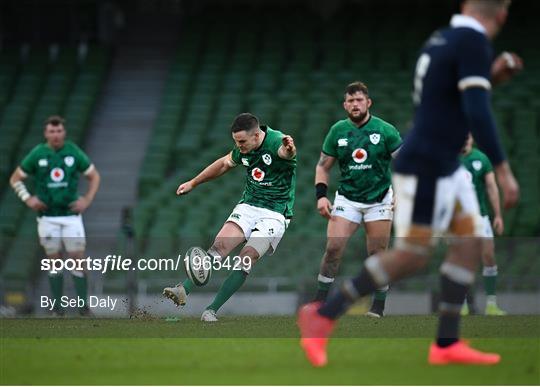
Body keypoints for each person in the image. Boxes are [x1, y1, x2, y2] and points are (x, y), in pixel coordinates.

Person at [298, 0, 522, 367]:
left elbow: (448, 101)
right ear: (502, 15)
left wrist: (491, 77)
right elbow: (477, 110)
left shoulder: (442, 40)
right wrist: (503, 168)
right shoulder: (472, 42)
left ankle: (447, 343)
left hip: (444, 162)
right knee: (413, 255)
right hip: (428, 162)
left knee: (466, 244)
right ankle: (324, 315)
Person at [163, 113, 296, 321]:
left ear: (256, 135)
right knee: (218, 248)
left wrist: (289, 149)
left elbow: (286, 153)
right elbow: (224, 163)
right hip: (249, 205)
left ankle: (211, 310)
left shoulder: (277, 141)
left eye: (242, 142)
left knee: (247, 257)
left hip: (275, 213)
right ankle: (183, 290)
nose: (239, 146)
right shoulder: (245, 147)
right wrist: (193, 182)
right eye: (236, 141)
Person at [314, 81, 402, 318]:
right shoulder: (337, 131)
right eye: (351, 101)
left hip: (380, 199)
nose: (355, 104)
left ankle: (378, 306)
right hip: (348, 198)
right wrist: (321, 197)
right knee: (333, 247)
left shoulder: (385, 130)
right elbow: (323, 167)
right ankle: (318, 303)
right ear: (345, 105)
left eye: (359, 100)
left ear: (368, 103)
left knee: (377, 255)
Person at [9, 115, 101, 316]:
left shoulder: (72, 152)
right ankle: (57, 309)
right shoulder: (38, 154)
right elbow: (15, 179)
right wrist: (27, 199)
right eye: (52, 131)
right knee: (54, 260)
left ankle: (83, 308)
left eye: (59, 131)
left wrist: (86, 200)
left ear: (64, 132)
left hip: (70, 215)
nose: (56, 135)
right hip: (47, 216)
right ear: (46, 133)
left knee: (77, 258)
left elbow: (94, 176)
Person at [460, 133, 507, 316]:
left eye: (467, 136)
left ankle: (491, 304)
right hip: (459, 220)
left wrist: (498, 215)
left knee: (488, 256)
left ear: (472, 138)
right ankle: (461, 304)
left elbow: (492, 187)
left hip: (481, 217)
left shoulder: (481, 158)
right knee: (462, 260)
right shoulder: (449, 158)